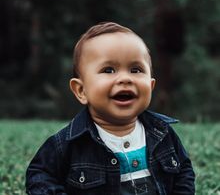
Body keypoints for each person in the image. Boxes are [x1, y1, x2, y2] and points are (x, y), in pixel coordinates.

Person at [26, 22, 195, 195]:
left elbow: (183, 171)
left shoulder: (163, 133)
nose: (125, 78)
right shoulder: (67, 144)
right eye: (109, 70)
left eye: (136, 70)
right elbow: (39, 176)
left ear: (150, 86)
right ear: (81, 90)